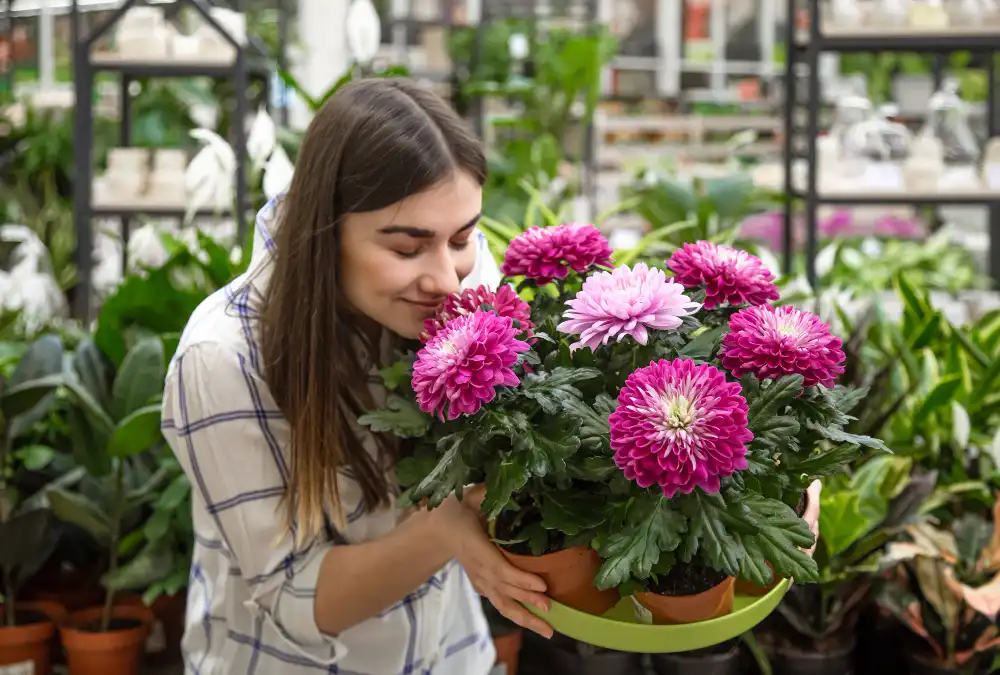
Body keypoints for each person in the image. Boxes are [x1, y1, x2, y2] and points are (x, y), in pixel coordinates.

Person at [160, 78, 553, 675]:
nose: (448, 279)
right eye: (406, 248)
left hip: (452, 658)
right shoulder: (223, 358)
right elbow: (296, 599)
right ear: (324, 232)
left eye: (464, 238)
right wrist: (444, 529)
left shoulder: (454, 285)